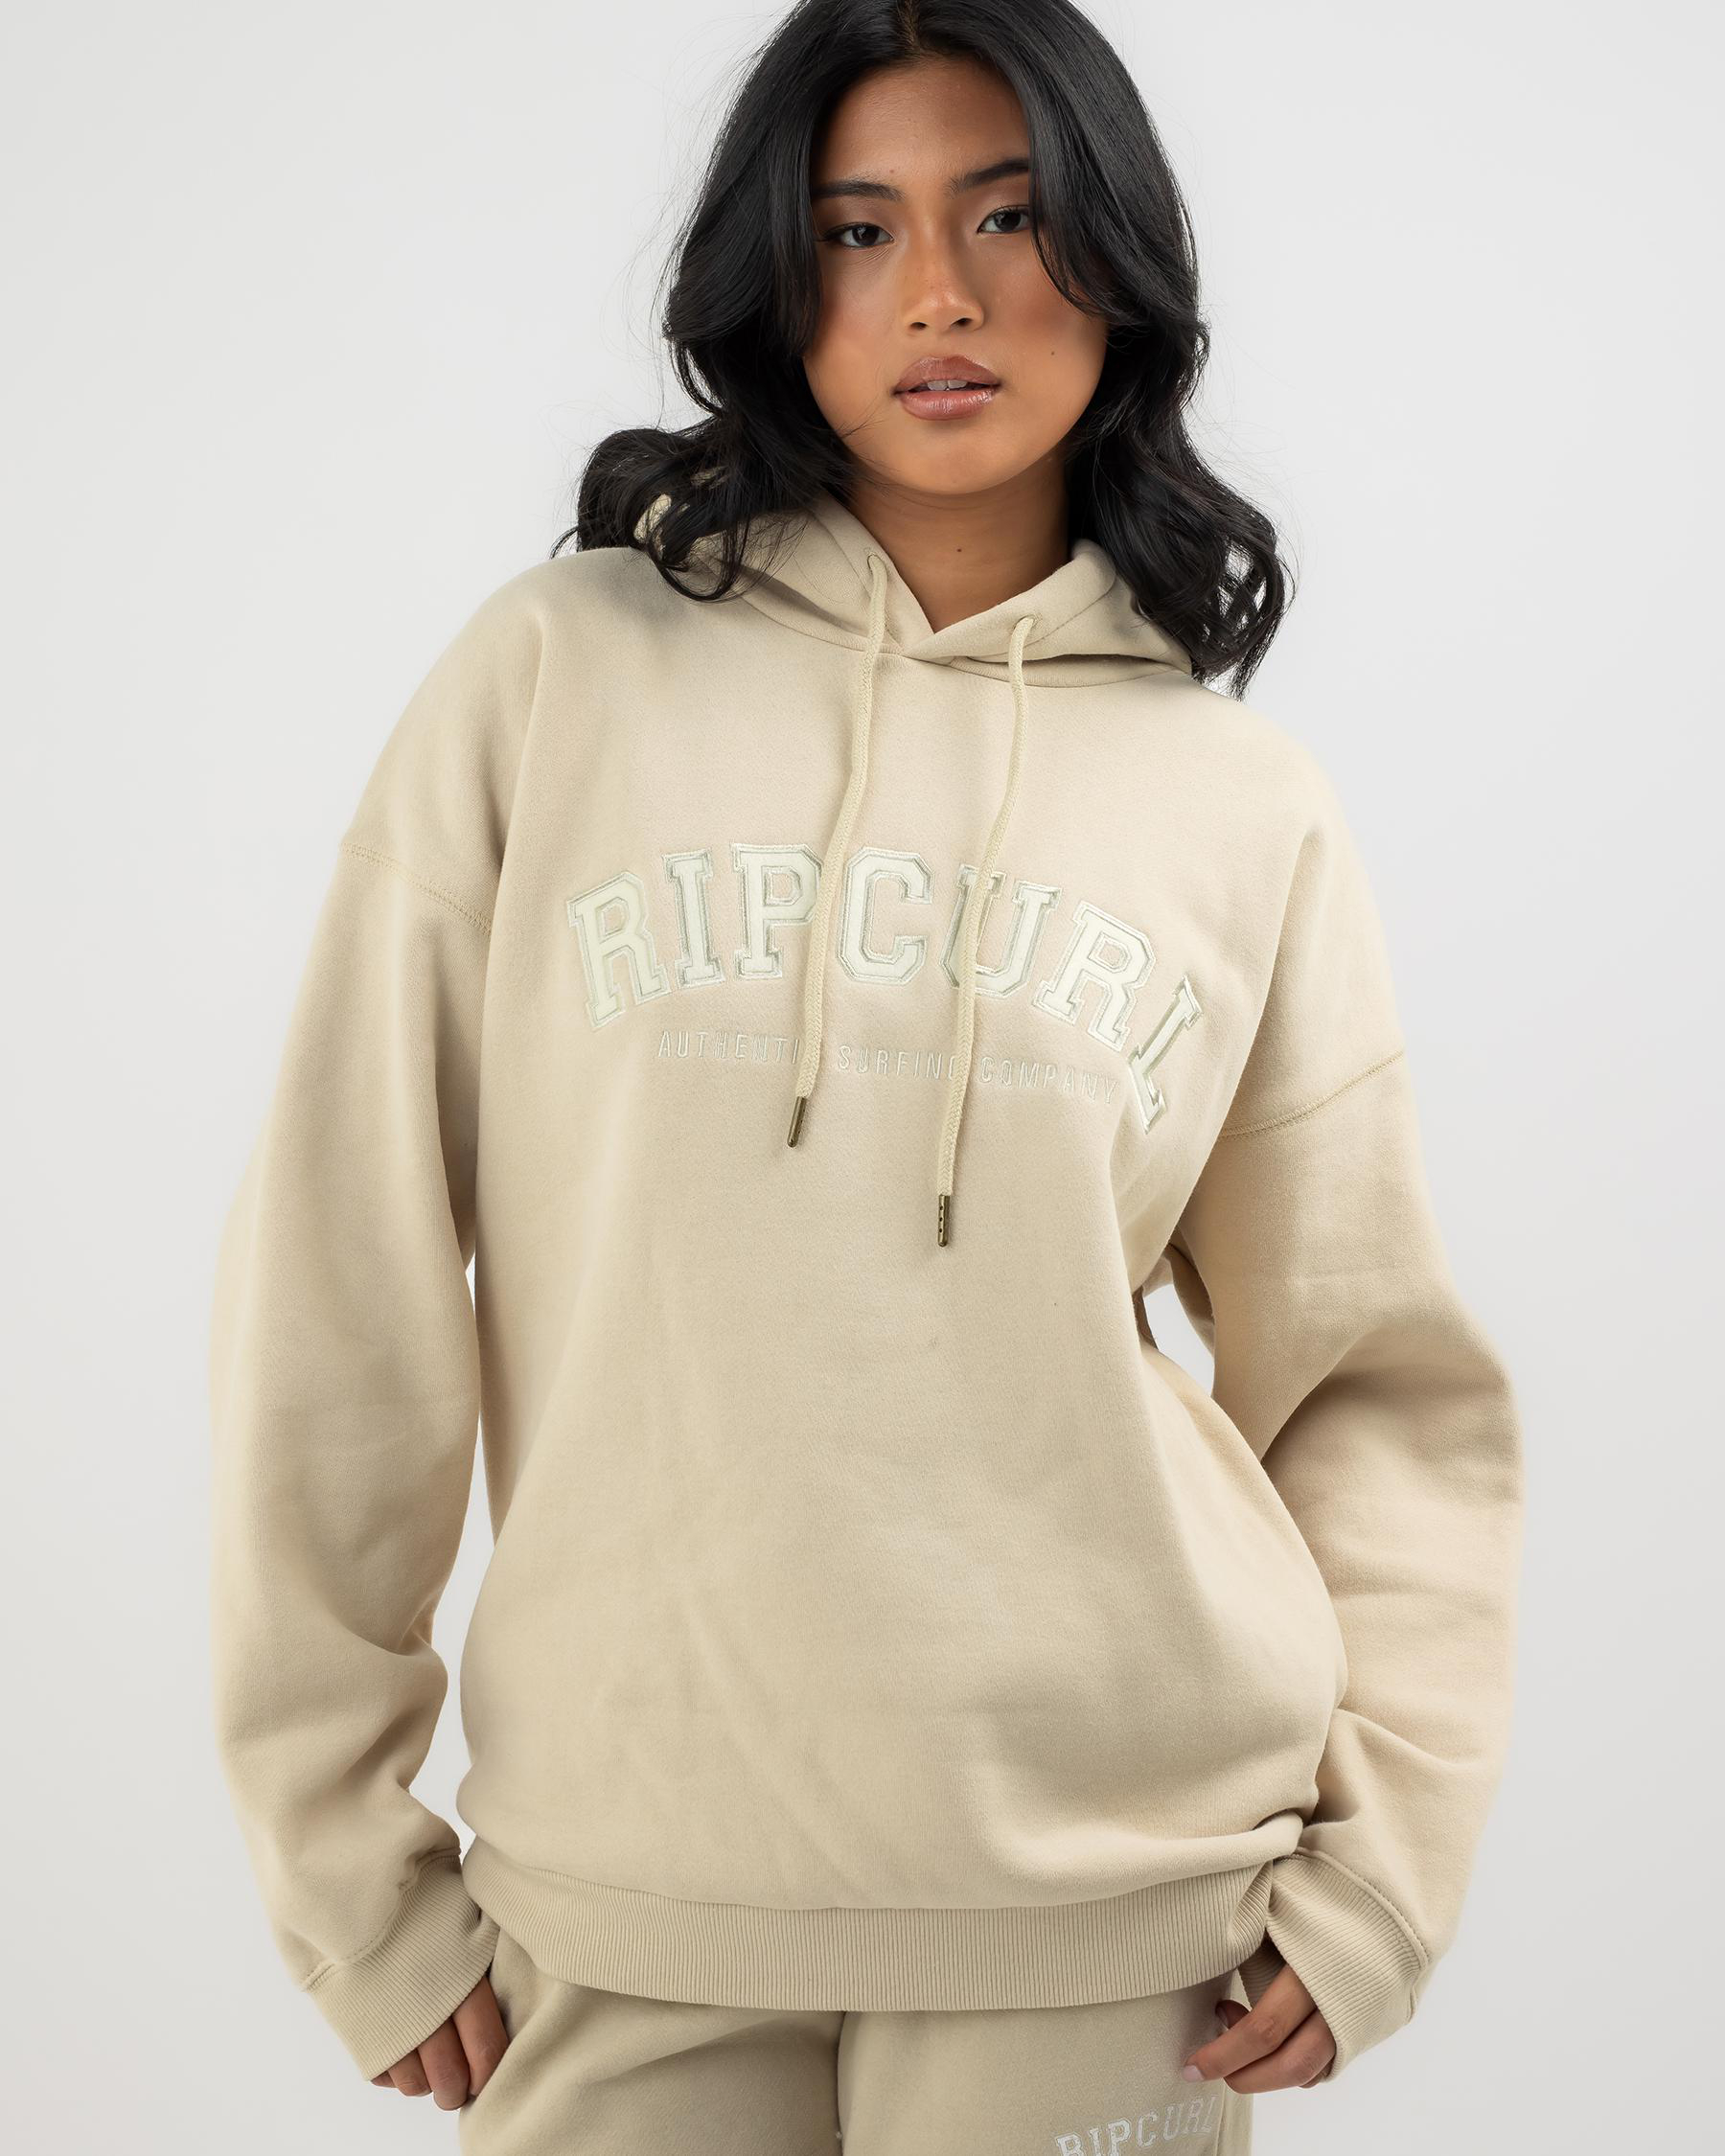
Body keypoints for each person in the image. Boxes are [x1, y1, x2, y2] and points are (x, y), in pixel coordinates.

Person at [207, 2, 1525, 2148]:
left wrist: (1388, 1864)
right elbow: (338, 1281)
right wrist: (344, 1862)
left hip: (1119, 1920)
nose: (938, 294)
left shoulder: (1238, 803)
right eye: (856, 228)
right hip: (621, 1900)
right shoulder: (555, 680)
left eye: (1008, 216)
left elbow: (1375, 1383)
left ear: (1116, 256)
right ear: (775, 279)